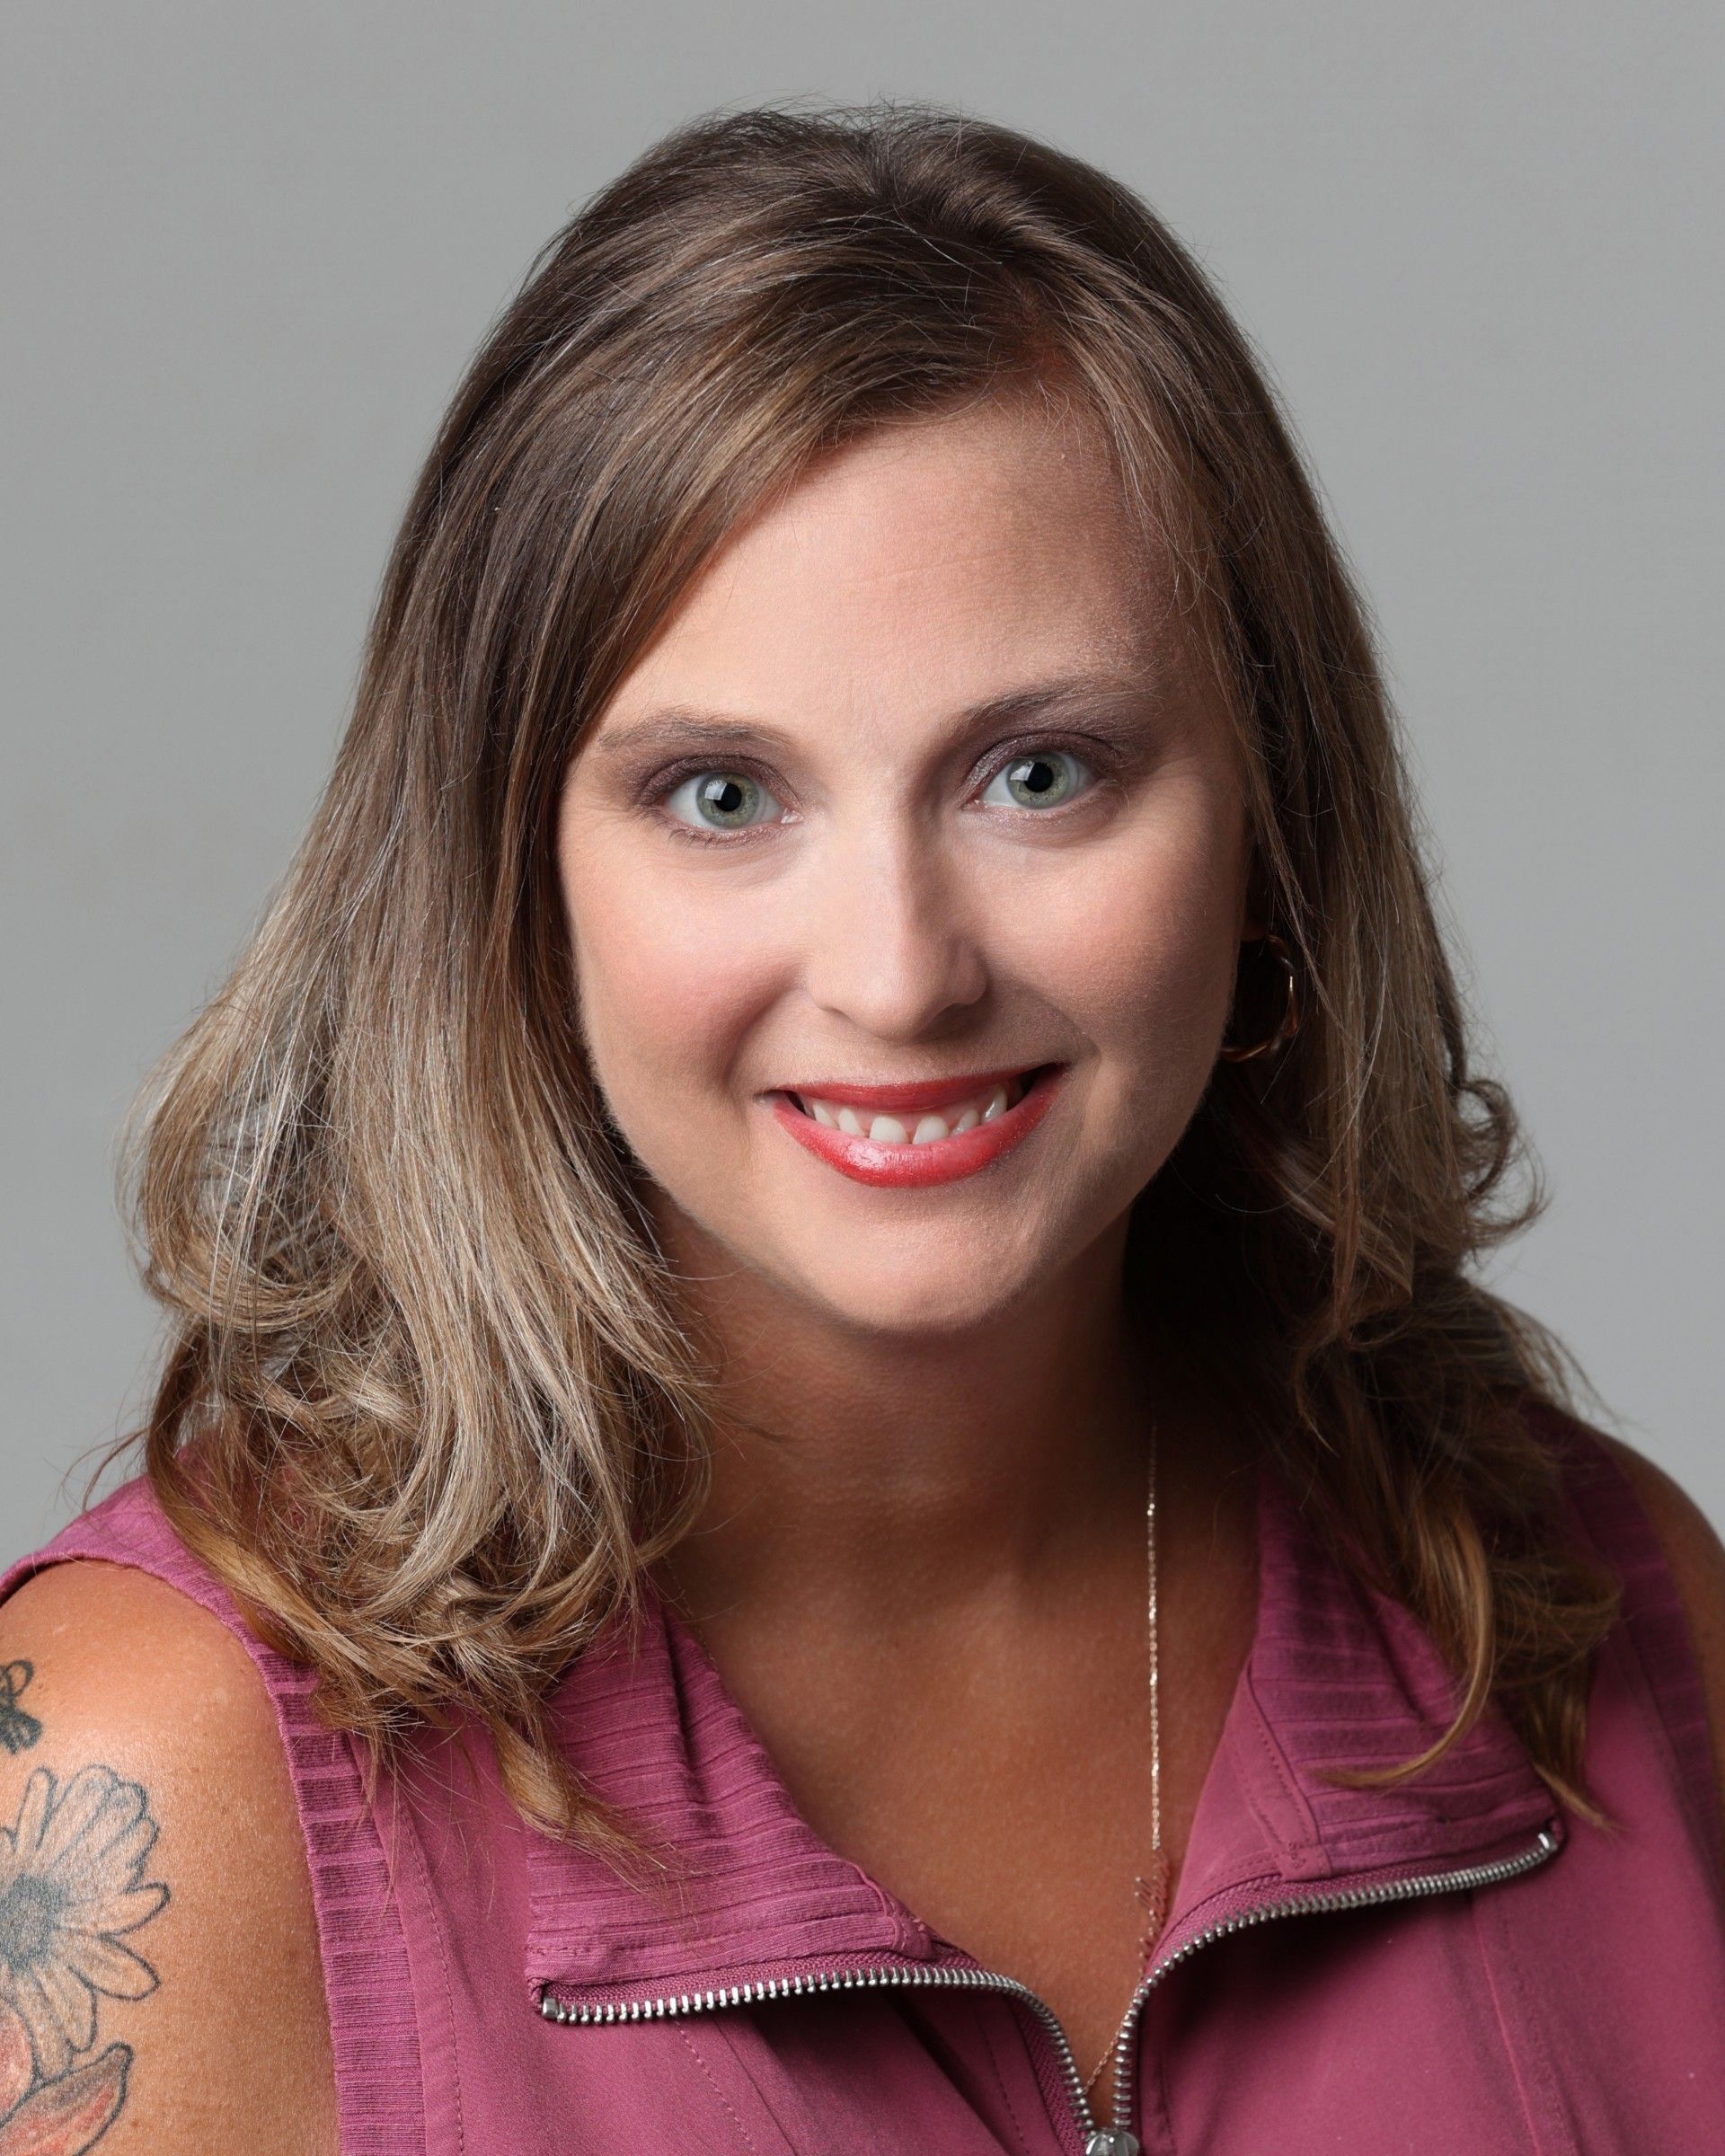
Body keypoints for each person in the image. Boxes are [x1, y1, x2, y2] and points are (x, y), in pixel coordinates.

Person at [2, 101, 1721, 2156]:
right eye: (723, 796)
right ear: (510, 889)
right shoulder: (152, 1793)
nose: (901, 975)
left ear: (1269, 823)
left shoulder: (1623, 1616)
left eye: (1042, 774)